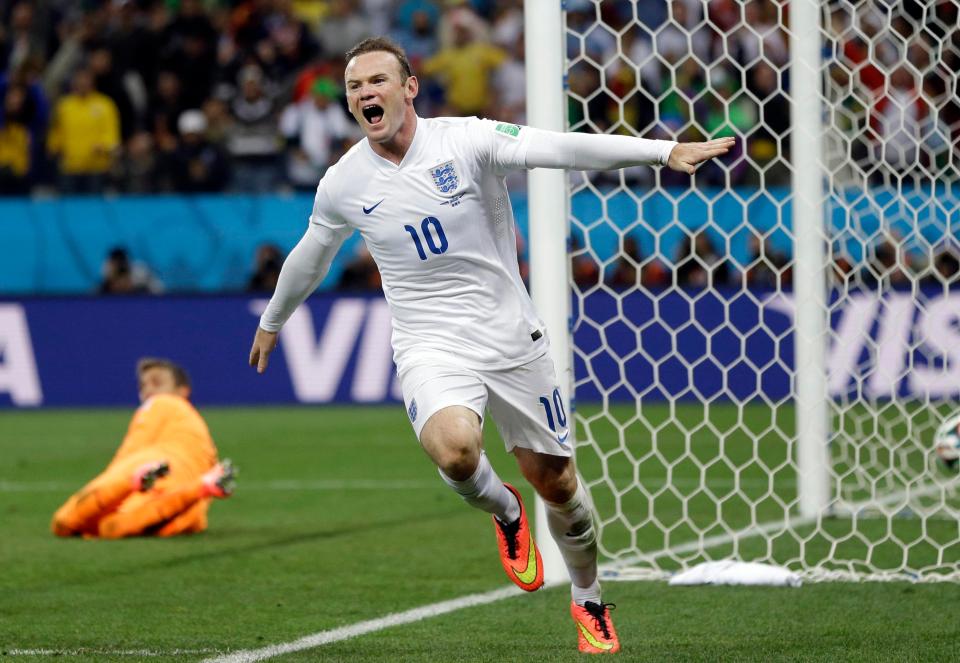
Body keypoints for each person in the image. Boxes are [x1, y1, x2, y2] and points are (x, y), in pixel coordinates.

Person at [248, 37, 733, 655]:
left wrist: (662, 151)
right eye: (354, 86)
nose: (366, 93)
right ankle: (507, 513)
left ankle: (588, 600)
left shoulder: (466, 140)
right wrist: (272, 320)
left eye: (377, 80)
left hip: (510, 337)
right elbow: (312, 255)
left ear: (409, 87)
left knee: (559, 487)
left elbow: (555, 148)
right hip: (430, 343)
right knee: (455, 452)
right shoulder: (344, 182)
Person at [51, 358, 236, 539]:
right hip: (187, 506)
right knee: (112, 527)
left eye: (156, 382)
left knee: (64, 521)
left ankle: (135, 481)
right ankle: (203, 487)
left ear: (182, 391)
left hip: (161, 470)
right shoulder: (198, 429)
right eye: (142, 386)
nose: (148, 390)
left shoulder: (161, 403)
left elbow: (128, 454)